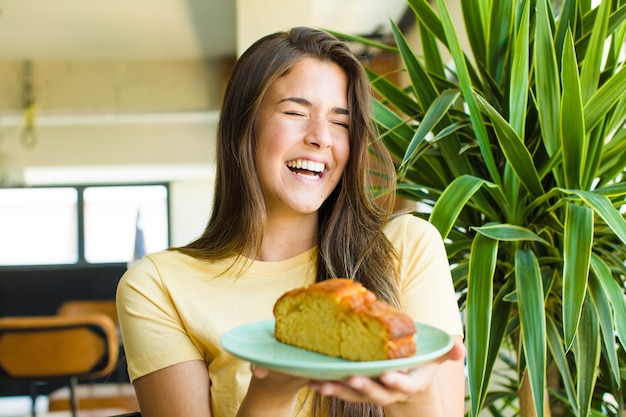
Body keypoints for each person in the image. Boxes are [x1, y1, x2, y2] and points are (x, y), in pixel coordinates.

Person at [116, 26, 465, 417]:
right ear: (243, 127)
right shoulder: (158, 286)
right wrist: (272, 391)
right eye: (296, 112)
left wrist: (411, 396)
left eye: (341, 122)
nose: (322, 138)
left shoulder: (406, 245)